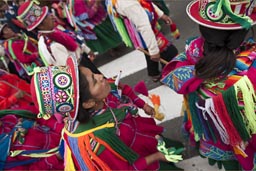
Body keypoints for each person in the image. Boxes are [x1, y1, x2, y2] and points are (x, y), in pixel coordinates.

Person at [30, 56, 184, 170]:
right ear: (88, 103)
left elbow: (123, 89)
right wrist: (157, 157)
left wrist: (142, 105)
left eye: (93, 73)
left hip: (147, 141)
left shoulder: (101, 93)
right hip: (143, 162)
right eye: (94, 80)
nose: (100, 76)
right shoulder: (96, 142)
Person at [161, 0, 256, 170]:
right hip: (243, 133)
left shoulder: (193, 50)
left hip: (212, 128)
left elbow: (174, 75)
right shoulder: (249, 68)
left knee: (229, 162)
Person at [16, 0, 101, 74]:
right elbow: (69, 69)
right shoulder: (51, 44)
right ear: (40, 25)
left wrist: (87, 50)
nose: (52, 16)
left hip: (84, 63)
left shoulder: (55, 31)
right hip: (81, 71)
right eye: (47, 16)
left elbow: (74, 40)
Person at [106, 0, 179, 82]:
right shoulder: (126, 3)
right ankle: (171, 78)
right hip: (144, 31)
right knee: (169, 53)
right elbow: (143, 26)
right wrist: (154, 50)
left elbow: (144, 3)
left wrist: (160, 14)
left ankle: (154, 73)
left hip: (144, 28)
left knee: (151, 51)